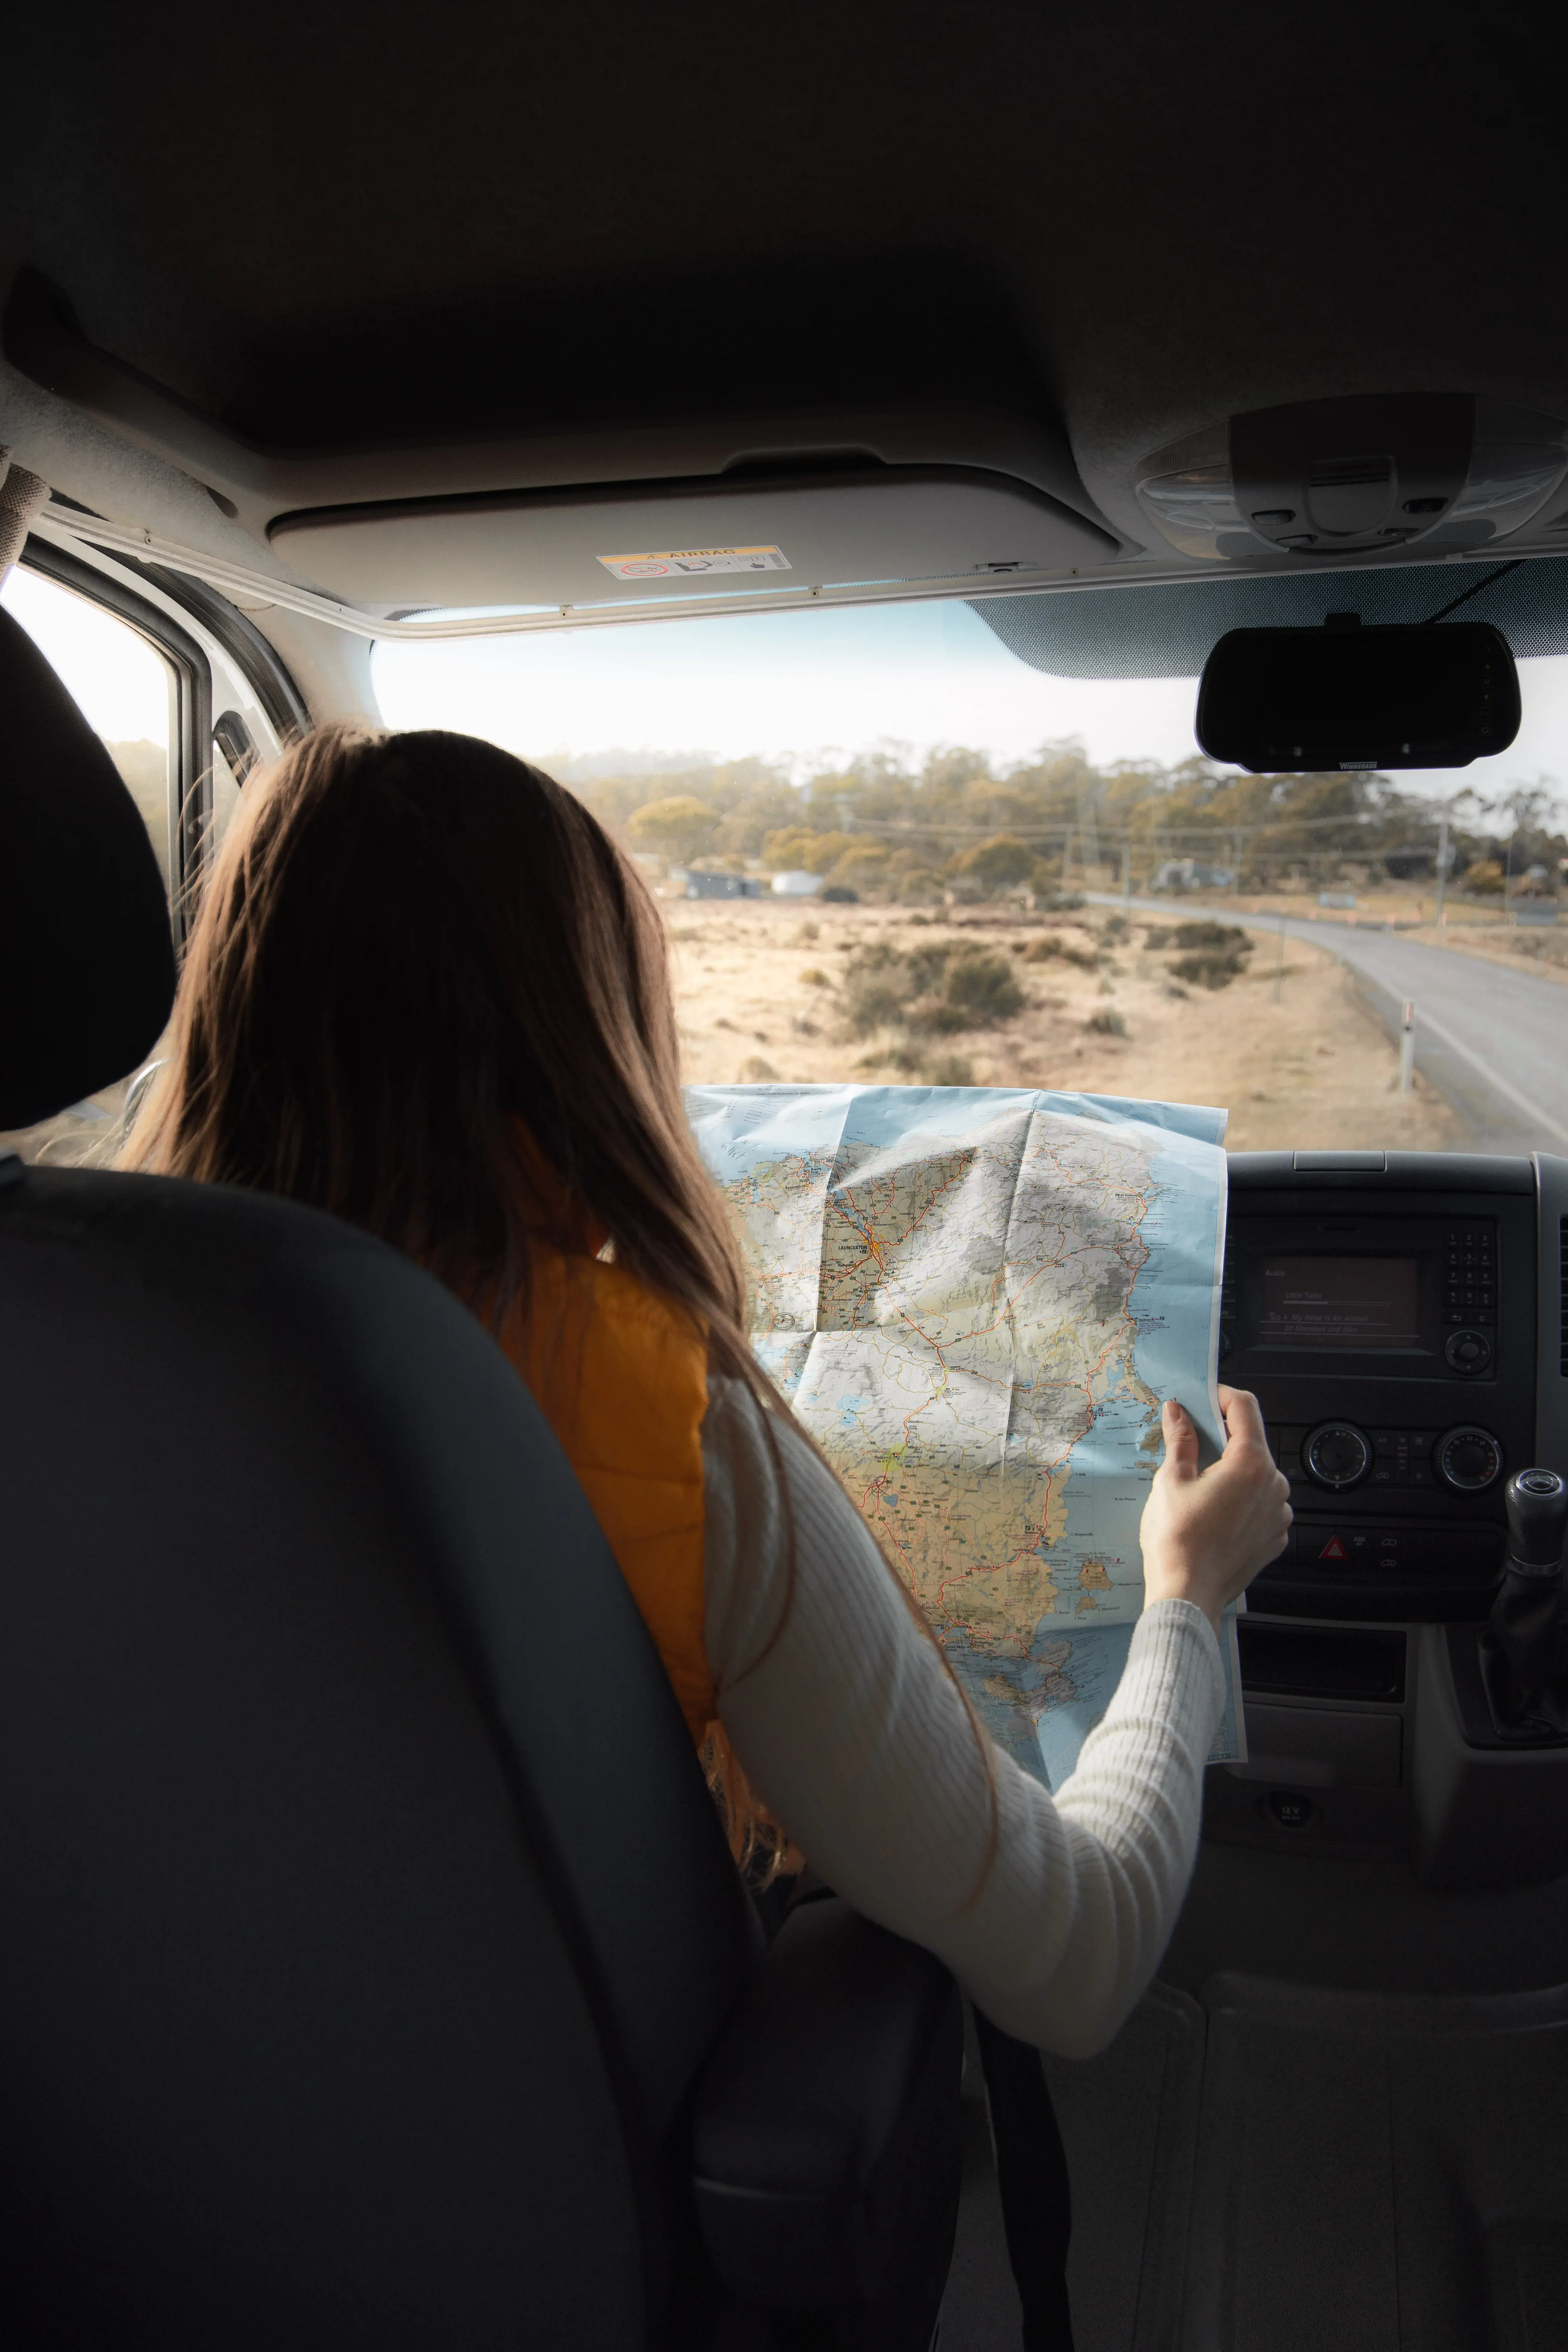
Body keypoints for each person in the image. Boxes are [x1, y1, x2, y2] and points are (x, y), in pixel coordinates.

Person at [124, 723, 1291, 2058]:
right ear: (583, 1037)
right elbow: (1074, 1962)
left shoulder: (68, 1336)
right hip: (518, 2135)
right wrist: (1186, 1599)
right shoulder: (662, 1419)